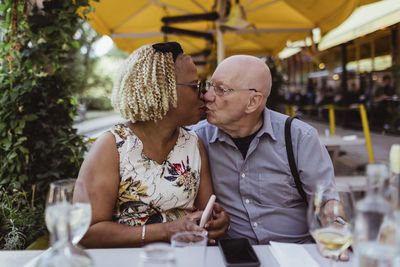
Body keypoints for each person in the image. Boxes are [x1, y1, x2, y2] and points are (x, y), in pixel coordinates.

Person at [77, 42, 229, 248]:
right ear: (162, 91)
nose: (203, 94)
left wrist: (216, 223)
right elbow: (85, 231)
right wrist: (165, 231)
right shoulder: (112, 147)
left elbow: (204, 216)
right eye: (195, 86)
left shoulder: (194, 144)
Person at [192, 55, 339, 251]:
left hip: (296, 254)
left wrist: (337, 226)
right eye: (210, 86)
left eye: (220, 89)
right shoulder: (198, 139)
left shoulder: (299, 138)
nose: (207, 95)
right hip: (234, 256)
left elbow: (326, 200)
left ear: (253, 102)